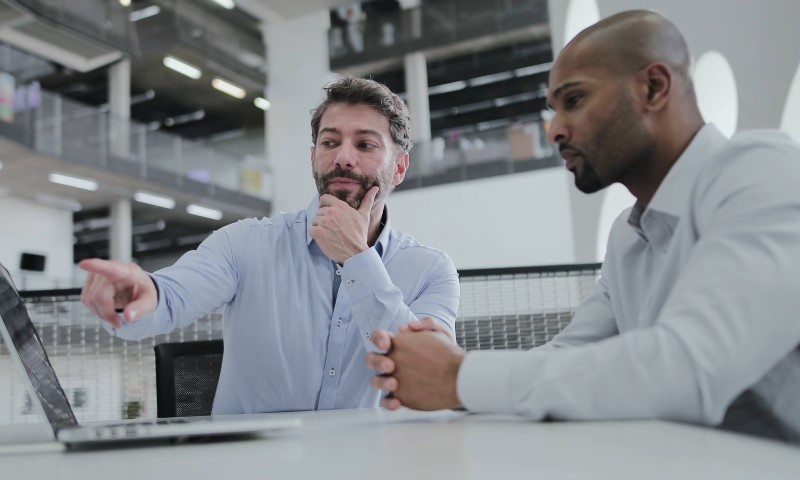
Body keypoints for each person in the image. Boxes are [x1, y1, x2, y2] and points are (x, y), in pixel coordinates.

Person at [366, 10, 800, 443]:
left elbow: (689, 367)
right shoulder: (628, 235)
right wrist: (444, 367)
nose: (555, 131)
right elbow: (571, 353)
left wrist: (460, 377)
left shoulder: (762, 171)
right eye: (552, 110)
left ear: (654, 87)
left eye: (574, 100)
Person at [80, 76, 460, 415]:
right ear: (314, 157)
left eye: (365, 144)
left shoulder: (431, 271)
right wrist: (137, 294)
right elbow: (173, 295)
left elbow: (431, 371)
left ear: (399, 167)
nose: (343, 157)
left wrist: (357, 259)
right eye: (330, 142)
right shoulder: (246, 242)